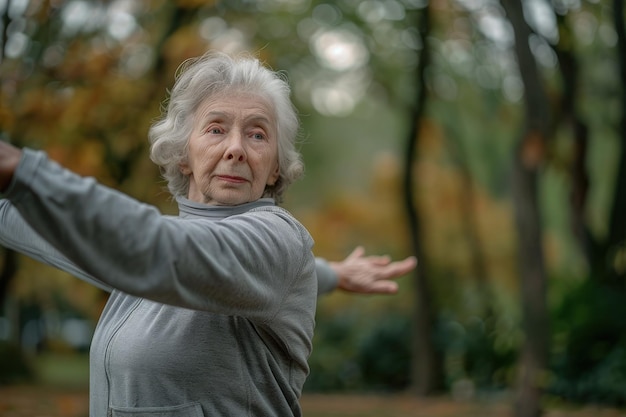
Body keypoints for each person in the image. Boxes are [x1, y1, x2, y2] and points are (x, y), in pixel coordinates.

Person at [0, 52, 415, 417]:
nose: (235, 147)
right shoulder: (137, 250)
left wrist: (23, 171)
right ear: (184, 155)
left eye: (257, 134)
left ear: (275, 167)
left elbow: (188, 254)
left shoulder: (277, 238)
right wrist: (334, 274)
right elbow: (39, 222)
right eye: (216, 129)